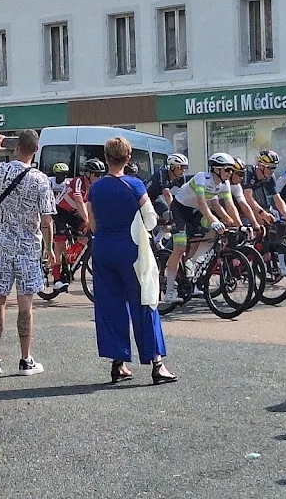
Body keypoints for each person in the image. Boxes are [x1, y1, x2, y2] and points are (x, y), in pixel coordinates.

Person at [87, 137, 176, 385]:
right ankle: (156, 363)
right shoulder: (135, 185)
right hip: (131, 249)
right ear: (128, 158)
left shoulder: (96, 188)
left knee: (110, 306)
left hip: (103, 248)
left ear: (106, 157)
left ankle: (118, 363)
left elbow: (92, 222)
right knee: (145, 302)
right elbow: (150, 220)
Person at [0, 130, 52, 376]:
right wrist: (49, 248)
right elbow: (47, 220)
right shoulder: (40, 180)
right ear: (36, 150)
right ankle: (25, 359)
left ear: (16, 148)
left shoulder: (2, 171)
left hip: (0, 246)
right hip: (28, 248)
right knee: (25, 304)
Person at [165, 153, 240, 304]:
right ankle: (169, 291)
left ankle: (192, 264)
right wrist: (214, 220)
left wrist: (238, 224)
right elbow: (201, 202)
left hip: (195, 211)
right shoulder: (202, 178)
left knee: (212, 233)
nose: (230, 173)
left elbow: (225, 205)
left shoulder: (224, 184)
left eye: (231, 170)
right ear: (216, 169)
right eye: (227, 170)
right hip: (180, 209)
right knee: (180, 247)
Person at [53, 158, 104, 292]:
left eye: (101, 175)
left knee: (88, 234)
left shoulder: (94, 187)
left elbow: (95, 205)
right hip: (60, 211)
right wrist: (87, 220)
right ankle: (57, 278)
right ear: (87, 174)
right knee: (60, 244)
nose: (100, 177)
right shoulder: (78, 181)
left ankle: (71, 257)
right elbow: (79, 201)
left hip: (73, 212)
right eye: (97, 175)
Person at [145, 154, 188, 224]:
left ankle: (161, 234)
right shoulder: (162, 172)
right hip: (145, 199)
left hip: (156, 199)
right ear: (172, 167)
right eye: (180, 167)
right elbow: (167, 194)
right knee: (152, 221)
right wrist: (174, 211)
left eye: (185, 167)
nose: (183, 170)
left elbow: (186, 191)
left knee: (167, 217)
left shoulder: (179, 177)